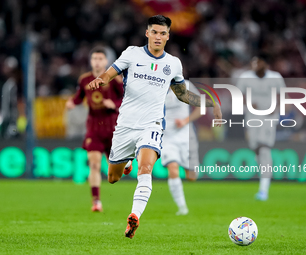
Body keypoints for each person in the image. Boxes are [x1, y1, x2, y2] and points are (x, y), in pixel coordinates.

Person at [88, 15, 222, 239]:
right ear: (147, 33)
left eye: (163, 33)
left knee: (146, 169)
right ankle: (127, 161)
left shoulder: (173, 64)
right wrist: (101, 80)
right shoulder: (132, 53)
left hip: (152, 125)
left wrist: (210, 103)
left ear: (168, 36)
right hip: (125, 126)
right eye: (155, 32)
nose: (158, 37)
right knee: (112, 177)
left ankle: (134, 216)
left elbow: (182, 95)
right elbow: (110, 73)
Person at [65, 47, 131, 212]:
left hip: (112, 128)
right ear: (91, 61)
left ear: (106, 61)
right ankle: (96, 202)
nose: (97, 62)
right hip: (93, 128)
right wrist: (72, 102)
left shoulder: (114, 80)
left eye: (100, 59)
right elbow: (80, 97)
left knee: (114, 173)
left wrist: (114, 105)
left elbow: (127, 100)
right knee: (94, 165)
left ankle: (126, 161)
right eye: (94, 58)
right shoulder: (84, 79)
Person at [237, 53, 286, 201]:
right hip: (252, 118)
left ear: (265, 63)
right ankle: (263, 175)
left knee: (264, 149)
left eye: (258, 63)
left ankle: (263, 189)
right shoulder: (245, 77)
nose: (255, 66)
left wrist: (275, 107)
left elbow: (283, 95)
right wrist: (248, 103)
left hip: (269, 118)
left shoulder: (276, 77)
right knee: (256, 149)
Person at [161, 80, 201, 216]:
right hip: (167, 136)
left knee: (192, 176)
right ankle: (182, 207)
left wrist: (185, 121)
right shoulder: (157, 85)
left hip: (186, 135)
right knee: (173, 169)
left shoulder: (187, 86)